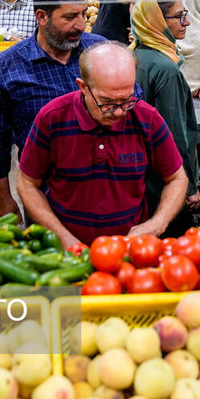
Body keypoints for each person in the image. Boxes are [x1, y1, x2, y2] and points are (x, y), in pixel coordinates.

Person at [17, 43, 187, 247]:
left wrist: (158, 223)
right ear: (83, 87)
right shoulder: (52, 118)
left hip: (127, 250)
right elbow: (27, 184)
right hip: (64, 252)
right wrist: (63, 238)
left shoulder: (147, 119)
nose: (118, 112)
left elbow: (177, 178)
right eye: (107, 102)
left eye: (126, 100)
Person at [0, 0, 106, 221]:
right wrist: (3, 197)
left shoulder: (101, 52)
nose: (81, 25)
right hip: (42, 194)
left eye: (83, 14)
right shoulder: (9, 65)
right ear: (42, 17)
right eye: (70, 17)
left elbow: (134, 106)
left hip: (104, 185)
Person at [130, 0, 200, 229]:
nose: (187, 22)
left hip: (139, 176)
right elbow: (175, 135)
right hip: (164, 182)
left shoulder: (136, 55)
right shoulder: (165, 70)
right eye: (179, 16)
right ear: (157, 21)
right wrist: (189, 187)